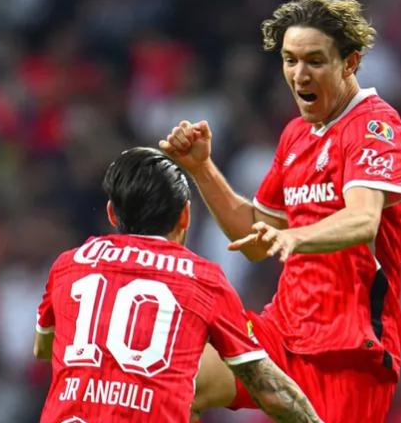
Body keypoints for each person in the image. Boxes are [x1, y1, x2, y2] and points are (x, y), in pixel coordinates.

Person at [160, 0, 401, 423]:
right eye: (289, 60)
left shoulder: (375, 127)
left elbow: (363, 219)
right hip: (281, 332)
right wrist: (201, 169)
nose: (299, 75)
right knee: (176, 379)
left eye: (315, 61)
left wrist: (294, 237)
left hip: (348, 353)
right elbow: (254, 235)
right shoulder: (297, 134)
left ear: (350, 63)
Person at [33, 147, 321, 422]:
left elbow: (43, 348)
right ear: (185, 215)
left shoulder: (69, 264)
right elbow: (269, 389)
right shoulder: (202, 279)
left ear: (111, 213)